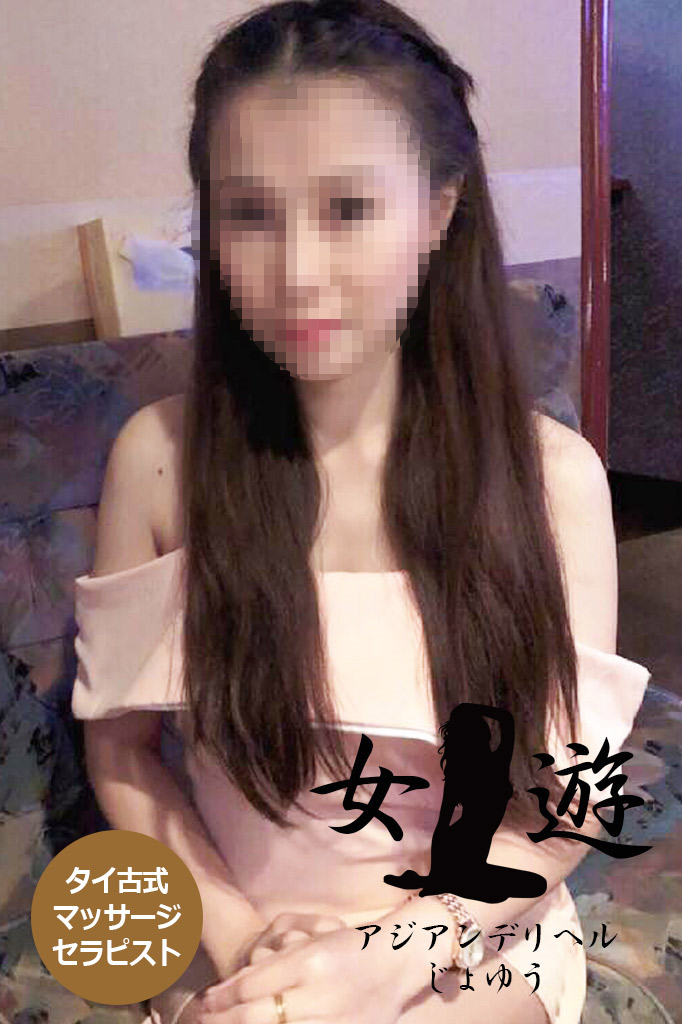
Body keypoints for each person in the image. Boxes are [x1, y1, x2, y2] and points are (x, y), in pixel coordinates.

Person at [70, 2, 652, 1023]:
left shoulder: (552, 479)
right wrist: (243, 939)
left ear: (438, 210)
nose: (297, 272)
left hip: (471, 934)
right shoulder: (158, 462)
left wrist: (394, 953)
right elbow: (122, 751)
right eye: (249, 214)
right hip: (232, 930)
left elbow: (572, 795)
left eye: (348, 209)